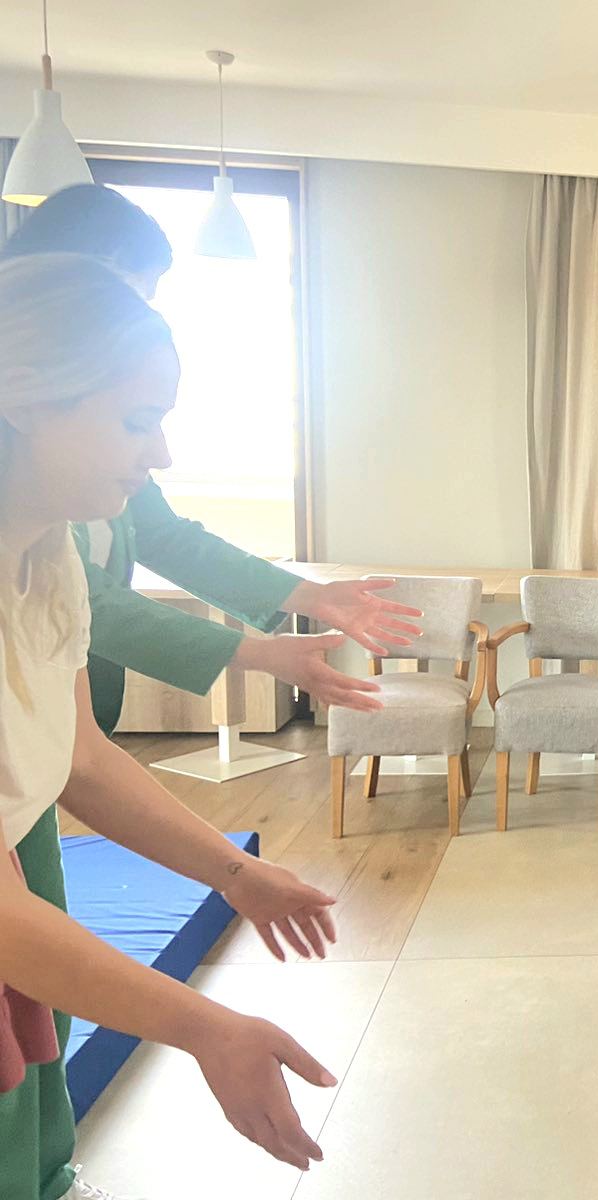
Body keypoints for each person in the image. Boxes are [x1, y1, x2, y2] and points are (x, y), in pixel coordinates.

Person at [0, 253, 340, 1200]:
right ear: (25, 397)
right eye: (135, 420)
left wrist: (237, 874)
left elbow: (80, 756)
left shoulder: (53, 555)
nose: (160, 454)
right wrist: (207, 1029)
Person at [0, 183, 422, 734]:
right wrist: (257, 653)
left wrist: (311, 597)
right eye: (130, 296)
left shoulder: (83, 474)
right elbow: (91, 603)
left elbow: (162, 537)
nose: (160, 454)